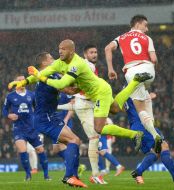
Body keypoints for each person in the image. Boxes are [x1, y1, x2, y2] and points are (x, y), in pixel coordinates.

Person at [8, 39, 152, 152]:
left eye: (63, 49)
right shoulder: (60, 63)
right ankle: (134, 82)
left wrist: (40, 76)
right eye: (59, 49)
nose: (60, 52)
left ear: (71, 51)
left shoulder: (76, 64)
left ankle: (135, 134)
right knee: (115, 108)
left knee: (99, 129)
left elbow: (60, 84)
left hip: (99, 92)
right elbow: (42, 74)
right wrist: (24, 82)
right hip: (98, 90)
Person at [22, 52, 87, 187]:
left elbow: (68, 84)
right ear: (45, 63)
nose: (55, 59)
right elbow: (68, 90)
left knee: (74, 142)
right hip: (45, 118)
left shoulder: (50, 75)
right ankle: (69, 176)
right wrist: (86, 86)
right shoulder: (47, 76)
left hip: (49, 116)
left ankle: (74, 176)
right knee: (74, 140)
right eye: (51, 58)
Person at [105, 14, 162, 153]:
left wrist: (111, 69)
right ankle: (155, 135)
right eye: (145, 25)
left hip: (132, 72)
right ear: (137, 24)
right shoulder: (147, 38)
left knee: (140, 109)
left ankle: (155, 135)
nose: (147, 29)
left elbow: (107, 48)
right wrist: (155, 70)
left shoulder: (121, 37)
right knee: (145, 100)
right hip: (148, 69)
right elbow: (154, 59)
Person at [57, 44, 107, 184]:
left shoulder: (90, 66)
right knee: (94, 137)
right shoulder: (87, 66)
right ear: (85, 54)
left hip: (88, 103)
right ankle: (95, 174)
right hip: (84, 105)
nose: (95, 54)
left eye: (96, 52)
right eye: (91, 52)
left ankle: (96, 173)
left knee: (96, 136)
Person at [124, 96, 174, 184]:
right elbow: (141, 106)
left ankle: (138, 172)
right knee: (163, 146)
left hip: (134, 127)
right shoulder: (136, 89)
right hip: (143, 125)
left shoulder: (125, 91)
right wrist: (147, 98)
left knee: (155, 152)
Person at [2, 76, 50, 181]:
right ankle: (28, 175)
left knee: (40, 150)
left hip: (32, 128)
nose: (23, 81)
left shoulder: (31, 95)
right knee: (23, 151)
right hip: (19, 128)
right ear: (16, 82)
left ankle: (46, 175)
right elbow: (4, 110)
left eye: (24, 79)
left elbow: (37, 109)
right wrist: (9, 115)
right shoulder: (10, 96)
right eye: (20, 80)